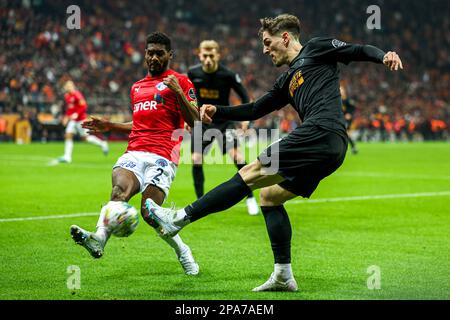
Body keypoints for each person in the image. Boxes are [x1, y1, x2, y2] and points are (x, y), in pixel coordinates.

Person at [146, 14, 403, 290]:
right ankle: (283, 274)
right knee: (270, 196)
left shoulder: (316, 48)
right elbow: (255, 109)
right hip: (329, 149)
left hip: (322, 131)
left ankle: (180, 218)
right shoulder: (286, 80)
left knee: (250, 171)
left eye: (268, 43)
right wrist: (217, 110)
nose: (265, 50)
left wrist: (383, 55)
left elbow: (358, 50)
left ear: (285, 37)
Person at [70, 32, 201, 275]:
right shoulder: (137, 87)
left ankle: (183, 252)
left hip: (163, 154)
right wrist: (110, 126)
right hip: (135, 150)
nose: (153, 57)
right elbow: (140, 124)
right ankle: (99, 238)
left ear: (170, 55)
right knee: (118, 192)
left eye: (159, 53)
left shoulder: (181, 81)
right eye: (150, 52)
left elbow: (196, 120)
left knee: (151, 213)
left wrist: (179, 93)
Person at [188, 40, 259, 215]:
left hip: (224, 121)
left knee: (237, 157)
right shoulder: (192, 73)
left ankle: (250, 198)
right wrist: (186, 118)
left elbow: (244, 96)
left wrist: (245, 120)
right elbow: (186, 97)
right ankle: (200, 202)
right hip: (202, 123)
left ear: (218, 55)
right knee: (196, 159)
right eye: (205, 56)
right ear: (199, 55)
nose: (208, 59)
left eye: (211, 56)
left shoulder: (228, 75)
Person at [57, 80, 109, 163]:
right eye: (67, 86)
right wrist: (66, 117)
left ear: (73, 86)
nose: (68, 88)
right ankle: (67, 157)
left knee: (85, 139)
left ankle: (102, 144)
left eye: (70, 86)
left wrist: (77, 114)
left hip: (80, 119)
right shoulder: (67, 96)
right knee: (68, 134)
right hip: (73, 120)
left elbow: (84, 106)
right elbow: (70, 109)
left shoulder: (77, 94)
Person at [340, 85, 359, 154]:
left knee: (346, 133)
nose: (340, 91)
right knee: (344, 134)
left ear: (344, 92)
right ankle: (353, 147)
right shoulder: (338, 100)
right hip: (340, 119)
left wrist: (349, 114)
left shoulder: (347, 100)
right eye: (340, 90)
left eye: (341, 90)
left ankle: (353, 147)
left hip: (347, 120)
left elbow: (353, 107)